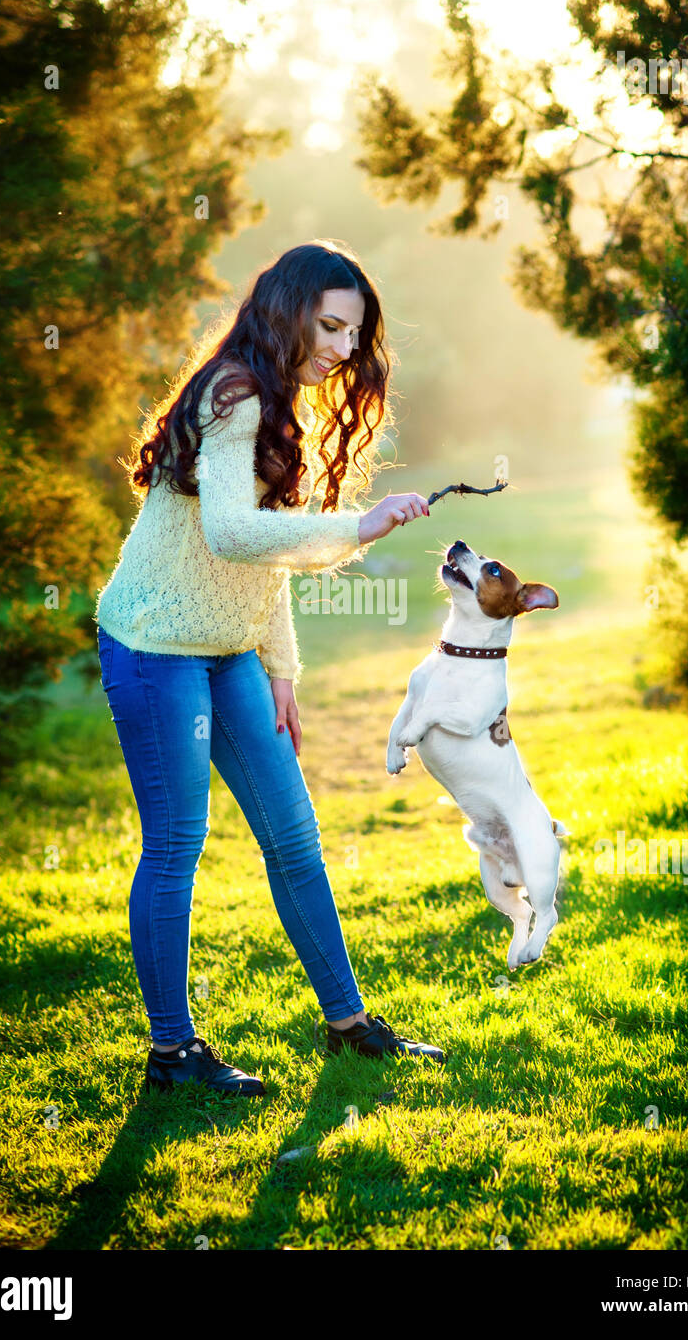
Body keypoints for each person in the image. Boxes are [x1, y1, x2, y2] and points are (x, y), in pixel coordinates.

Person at [94, 240, 446, 1098]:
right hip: (153, 645)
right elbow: (231, 534)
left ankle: (348, 1023)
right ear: (286, 311)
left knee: (293, 835)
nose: (340, 348)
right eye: (329, 326)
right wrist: (357, 527)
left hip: (227, 651)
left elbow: (268, 556)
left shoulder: (285, 401)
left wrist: (279, 668)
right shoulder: (234, 394)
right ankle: (172, 1054)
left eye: (352, 336)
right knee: (177, 844)